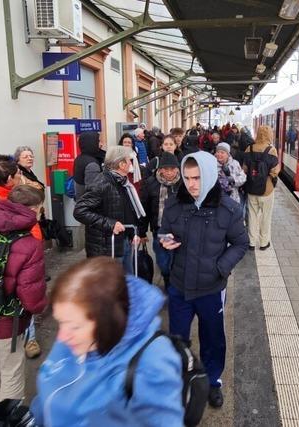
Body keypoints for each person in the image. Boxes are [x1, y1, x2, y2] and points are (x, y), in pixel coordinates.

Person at [30, 257, 184, 427]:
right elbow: (52, 389)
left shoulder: (152, 363)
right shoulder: (72, 337)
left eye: (74, 327)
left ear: (106, 321)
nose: (61, 337)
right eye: (60, 322)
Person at [159, 151, 248, 408]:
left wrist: (221, 268)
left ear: (209, 175)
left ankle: (212, 381)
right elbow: (163, 231)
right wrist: (164, 240)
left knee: (212, 338)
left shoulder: (228, 209)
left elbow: (240, 243)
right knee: (178, 338)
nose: (191, 184)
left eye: (197, 177)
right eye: (187, 178)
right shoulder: (175, 205)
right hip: (179, 286)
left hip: (211, 288)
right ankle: (181, 381)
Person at [0, 185, 48, 426]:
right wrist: (42, 305)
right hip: (7, 324)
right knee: (11, 374)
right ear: (33, 210)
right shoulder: (29, 244)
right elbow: (31, 298)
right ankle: (8, 421)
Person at [74, 146, 147, 275]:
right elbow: (80, 211)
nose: (131, 163)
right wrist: (110, 224)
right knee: (112, 289)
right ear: (122, 164)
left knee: (127, 285)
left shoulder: (123, 183)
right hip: (107, 248)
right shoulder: (102, 183)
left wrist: (132, 234)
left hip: (123, 242)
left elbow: (127, 211)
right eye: (129, 160)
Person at [13, 146, 46, 359]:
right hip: (24, 243)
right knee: (23, 290)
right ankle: (28, 338)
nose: (30, 158)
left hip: (31, 238)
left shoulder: (30, 175)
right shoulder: (19, 180)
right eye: (26, 156)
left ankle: (28, 336)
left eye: (31, 155)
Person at [140, 152, 182, 289]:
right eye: (166, 169)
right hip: (159, 229)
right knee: (163, 262)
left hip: (179, 230)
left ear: (177, 169)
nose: (169, 172)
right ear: (160, 169)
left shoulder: (183, 184)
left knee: (176, 260)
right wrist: (141, 232)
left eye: (172, 169)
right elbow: (144, 208)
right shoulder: (151, 184)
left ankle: (173, 287)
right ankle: (167, 278)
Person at [244, 125, 280, 250]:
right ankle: (264, 243)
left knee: (252, 216)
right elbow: (275, 171)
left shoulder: (249, 148)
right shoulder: (272, 150)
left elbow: (244, 169)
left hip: (251, 189)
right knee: (266, 217)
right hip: (267, 190)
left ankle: (251, 242)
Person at [73, 131, 105, 199]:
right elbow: (94, 193)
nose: (101, 144)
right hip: (90, 207)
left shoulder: (79, 158)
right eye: (98, 141)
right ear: (91, 143)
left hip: (80, 202)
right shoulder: (92, 165)